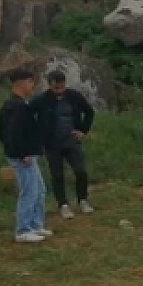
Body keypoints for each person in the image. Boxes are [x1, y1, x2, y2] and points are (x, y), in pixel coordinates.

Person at [29, 69, 96, 219]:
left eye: (61, 87)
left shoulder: (74, 96)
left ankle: (83, 200)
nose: (59, 90)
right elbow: (27, 114)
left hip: (72, 141)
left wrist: (83, 131)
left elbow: (89, 111)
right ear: (49, 85)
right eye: (55, 88)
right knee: (57, 175)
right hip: (52, 143)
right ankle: (63, 204)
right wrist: (37, 134)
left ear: (65, 84)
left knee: (81, 171)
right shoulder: (41, 100)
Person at [0, 67, 50, 243]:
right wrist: (21, 152)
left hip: (27, 154)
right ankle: (23, 230)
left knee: (39, 189)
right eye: (30, 81)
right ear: (21, 83)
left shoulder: (17, 105)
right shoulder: (16, 106)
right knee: (29, 191)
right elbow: (11, 132)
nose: (32, 85)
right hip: (22, 156)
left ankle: (36, 224)